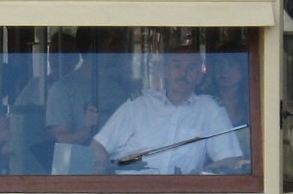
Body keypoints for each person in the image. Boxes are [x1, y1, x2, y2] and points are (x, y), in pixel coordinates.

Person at [90, 52, 245, 174]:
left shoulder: (209, 108)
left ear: (199, 76)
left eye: (191, 68)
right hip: (129, 192)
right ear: (166, 71)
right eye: (176, 66)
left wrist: (199, 176)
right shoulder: (140, 104)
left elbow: (229, 161)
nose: (183, 73)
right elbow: (99, 146)